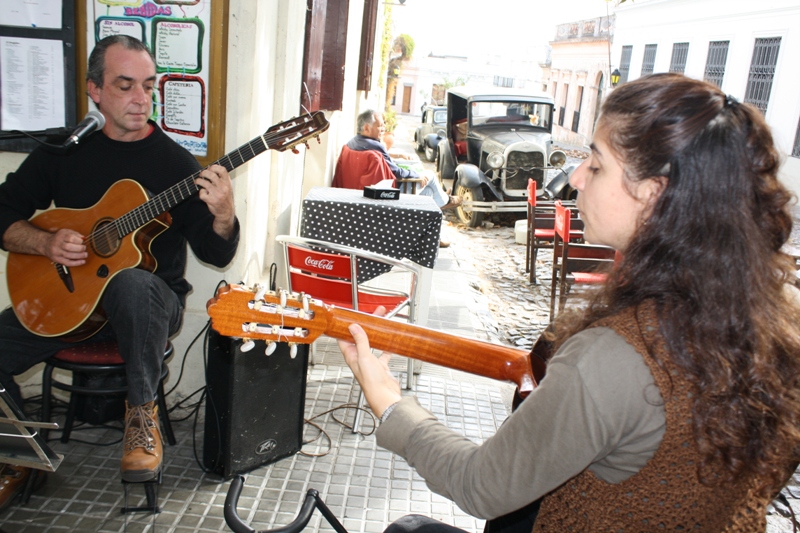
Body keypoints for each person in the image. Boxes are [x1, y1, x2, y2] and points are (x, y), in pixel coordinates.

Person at [337, 73, 800, 531]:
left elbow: (480, 484)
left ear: (655, 195)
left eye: (596, 165)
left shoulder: (617, 357)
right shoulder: (781, 320)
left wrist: (390, 402)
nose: (575, 176)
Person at [0, 35, 239, 504]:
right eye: (125, 85)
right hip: (75, 304)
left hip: (151, 306)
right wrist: (46, 242)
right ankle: (20, 457)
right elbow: (4, 212)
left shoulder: (174, 163)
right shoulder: (63, 150)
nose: (141, 99)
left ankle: (141, 416)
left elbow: (216, 253)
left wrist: (225, 215)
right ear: (94, 90)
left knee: (131, 281)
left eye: (148, 86)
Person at [345, 109, 461, 210]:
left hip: (364, 189)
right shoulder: (376, 145)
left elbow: (379, 158)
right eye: (380, 126)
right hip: (391, 191)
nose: (383, 129)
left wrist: (398, 155)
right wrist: (416, 175)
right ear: (366, 128)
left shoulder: (354, 142)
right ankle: (446, 201)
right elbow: (396, 171)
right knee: (429, 175)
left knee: (429, 193)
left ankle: (442, 199)